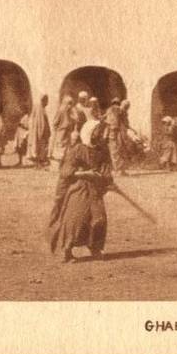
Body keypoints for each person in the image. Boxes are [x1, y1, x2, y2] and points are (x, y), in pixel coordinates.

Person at [46, 119, 114, 262]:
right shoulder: (78, 149)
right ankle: (66, 251)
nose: (100, 133)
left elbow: (106, 168)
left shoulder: (102, 149)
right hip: (79, 187)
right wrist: (85, 174)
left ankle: (95, 248)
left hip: (95, 189)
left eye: (101, 131)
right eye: (97, 131)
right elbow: (66, 172)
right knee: (75, 219)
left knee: (98, 219)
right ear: (89, 132)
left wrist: (108, 180)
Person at [24, 94, 52, 169]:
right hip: (39, 133)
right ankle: (38, 163)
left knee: (38, 147)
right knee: (38, 147)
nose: (47, 103)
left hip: (38, 132)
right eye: (46, 101)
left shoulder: (41, 109)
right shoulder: (40, 109)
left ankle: (38, 163)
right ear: (43, 101)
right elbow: (41, 123)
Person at [103, 99, 128, 173]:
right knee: (120, 150)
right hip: (120, 132)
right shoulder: (121, 110)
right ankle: (121, 170)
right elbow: (125, 122)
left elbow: (107, 123)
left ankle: (118, 169)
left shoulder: (110, 110)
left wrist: (105, 135)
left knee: (114, 151)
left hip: (112, 131)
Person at [49, 95, 76, 166]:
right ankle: (58, 165)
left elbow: (75, 119)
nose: (70, 106)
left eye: (71, 104)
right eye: (69, 103)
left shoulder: (69, 112)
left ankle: (64, 165)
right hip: (61, 133)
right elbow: (55, 122)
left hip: (67, 133)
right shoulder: (61, 111)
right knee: (60, 147)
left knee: (67, 148)